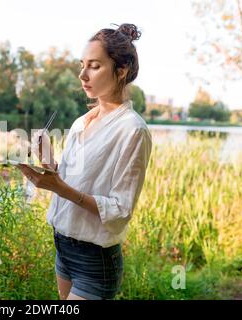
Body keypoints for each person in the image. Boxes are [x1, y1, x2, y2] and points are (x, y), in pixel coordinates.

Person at [17, 23, 153, 300]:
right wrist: (48, 160)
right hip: (63, 249)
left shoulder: (133, 130)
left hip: (94, 263)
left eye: (94, 66)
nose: (82, 74)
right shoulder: (82, 121)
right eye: (82, 65)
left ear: (121, 71)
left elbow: (120, 210)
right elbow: (72, 179)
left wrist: (59, 189)